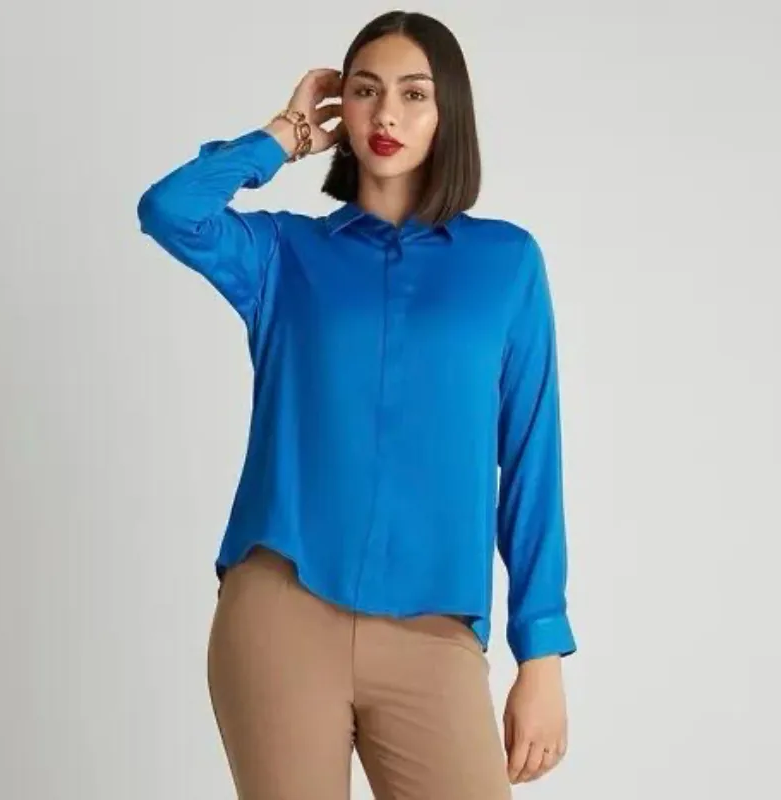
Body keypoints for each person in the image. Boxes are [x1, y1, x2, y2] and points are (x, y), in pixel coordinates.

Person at [137, 9, 576, 799]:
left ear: (448, 113)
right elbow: (170, 210)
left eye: (415, 94)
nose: (388, 115)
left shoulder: (507, 264)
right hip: (281, 614)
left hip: (434, 634)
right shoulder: (283, 254)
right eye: (367, 91)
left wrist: (540, 652)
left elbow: (531, 460)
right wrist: (285, 135)